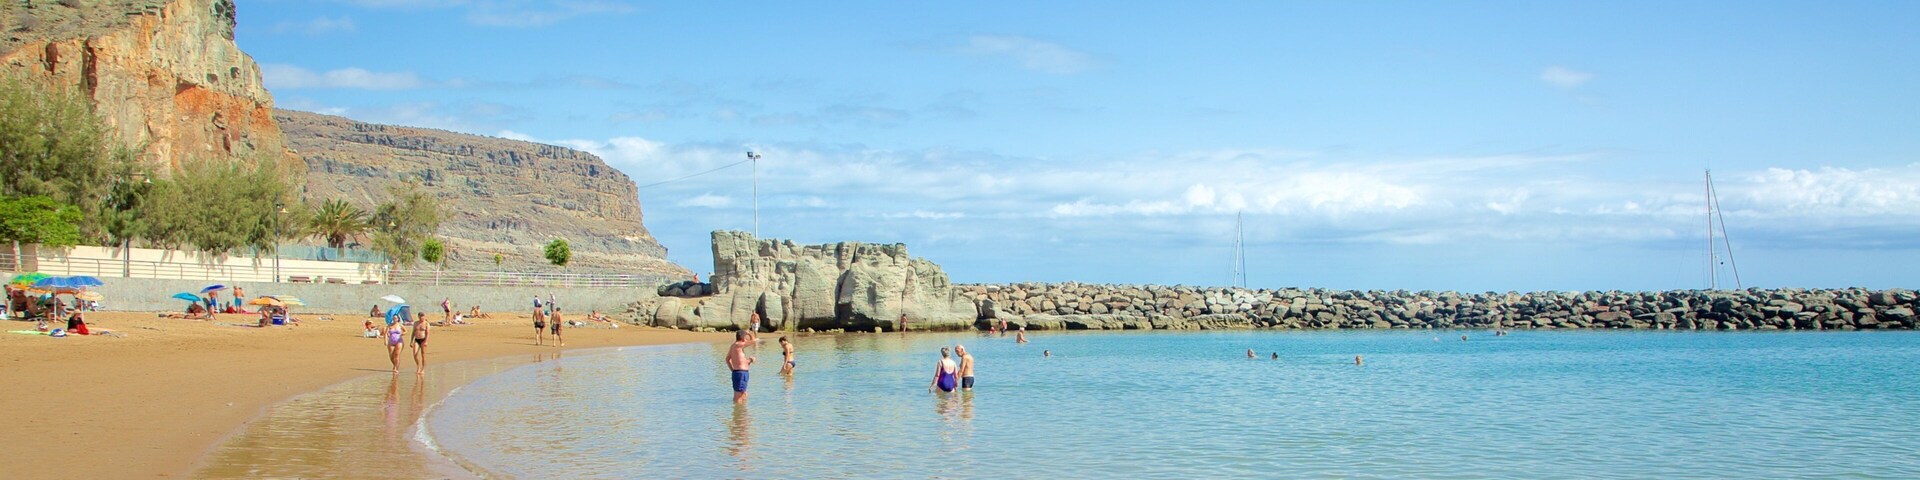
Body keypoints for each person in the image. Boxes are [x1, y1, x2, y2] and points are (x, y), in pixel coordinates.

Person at [726, 330, 755, 403]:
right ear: (742, 338)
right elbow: (753, 341)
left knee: (742, 393)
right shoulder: (739, 344)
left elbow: (727, 359)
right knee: (738, 395)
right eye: (745, 338)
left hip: (738, 372)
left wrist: (749, 360)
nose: (746, 340)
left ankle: (741, 411)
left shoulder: (733, 346)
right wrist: (749, 333)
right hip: (741, 373)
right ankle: (738, 413)